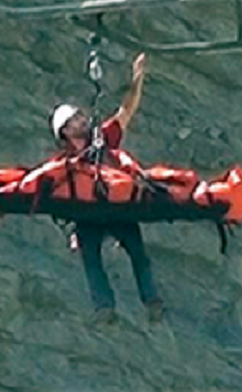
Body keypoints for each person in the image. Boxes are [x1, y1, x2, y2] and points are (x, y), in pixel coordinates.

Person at [50, 53, 163, 324]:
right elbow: (52, 197)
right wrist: (70, 231)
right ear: (65, 131)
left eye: (79, 116)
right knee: (91, 259)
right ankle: (104, 307)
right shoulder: (63, 163)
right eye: (75, 120)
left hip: (115, 205)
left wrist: (138, 78)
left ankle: (151, 300)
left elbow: (126, 112)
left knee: (138, 253)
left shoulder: (102, 139)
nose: (82, 120)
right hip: (88, 213)